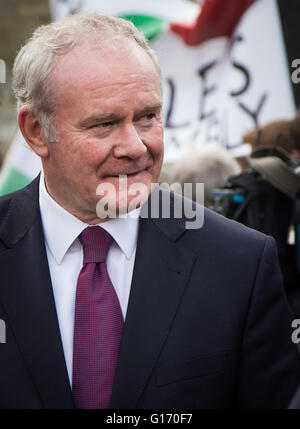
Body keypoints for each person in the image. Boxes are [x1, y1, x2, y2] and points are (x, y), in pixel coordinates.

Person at [0, 13, 299, 409]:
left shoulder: (241, 262)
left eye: (147, 117)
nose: (136, 146)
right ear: (37, 131)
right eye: (104, 124)